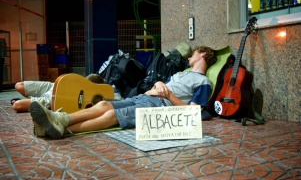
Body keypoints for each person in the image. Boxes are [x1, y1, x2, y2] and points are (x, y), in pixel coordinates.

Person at [29, 45, 217, 139]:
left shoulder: (203, 81)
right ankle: (59, 119)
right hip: (145, 97)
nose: (190, 55)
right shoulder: (181, 73)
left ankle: (59, 129)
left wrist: (167, 94)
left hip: (160, 105)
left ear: (202, 54)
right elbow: (163, 85)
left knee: (112, 115)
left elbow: (192, 112)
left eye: (194, 52)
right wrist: (159, 82)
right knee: (102, 104)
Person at [12, 74, 105, 112]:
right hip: (53, 85)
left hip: (53, 97)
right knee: (18, 86)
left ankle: (32, 100)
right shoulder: (84, 81)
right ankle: (32, 99)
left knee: (17, 105)